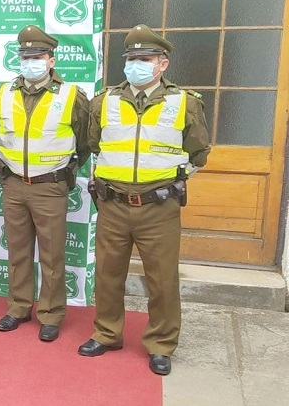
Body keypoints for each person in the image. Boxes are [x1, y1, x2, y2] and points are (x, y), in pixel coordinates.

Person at [77, 25, 210, 376]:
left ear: (162, 64)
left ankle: (161, 343)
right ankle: (106, 333)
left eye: (145, 59)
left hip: (159, 208)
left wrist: (169, 182)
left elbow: (198, 153)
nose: (136, 64)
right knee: (107, 274)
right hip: (113, 205)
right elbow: (95, 145)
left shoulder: (185, 102)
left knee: (162, 279)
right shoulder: (103, 101)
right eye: (131, 59)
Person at [0, 25, 90, 341]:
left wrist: (64, 173)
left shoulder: (72, 96)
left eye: (38, 56)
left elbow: (85, 142)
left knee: (51, 254)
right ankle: (18, 307)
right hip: (15, 184)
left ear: (51, 59)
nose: (31, 62)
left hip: (50, 186)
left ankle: (50, 313)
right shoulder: (4, 93)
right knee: (17, 251)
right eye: (26, 56)